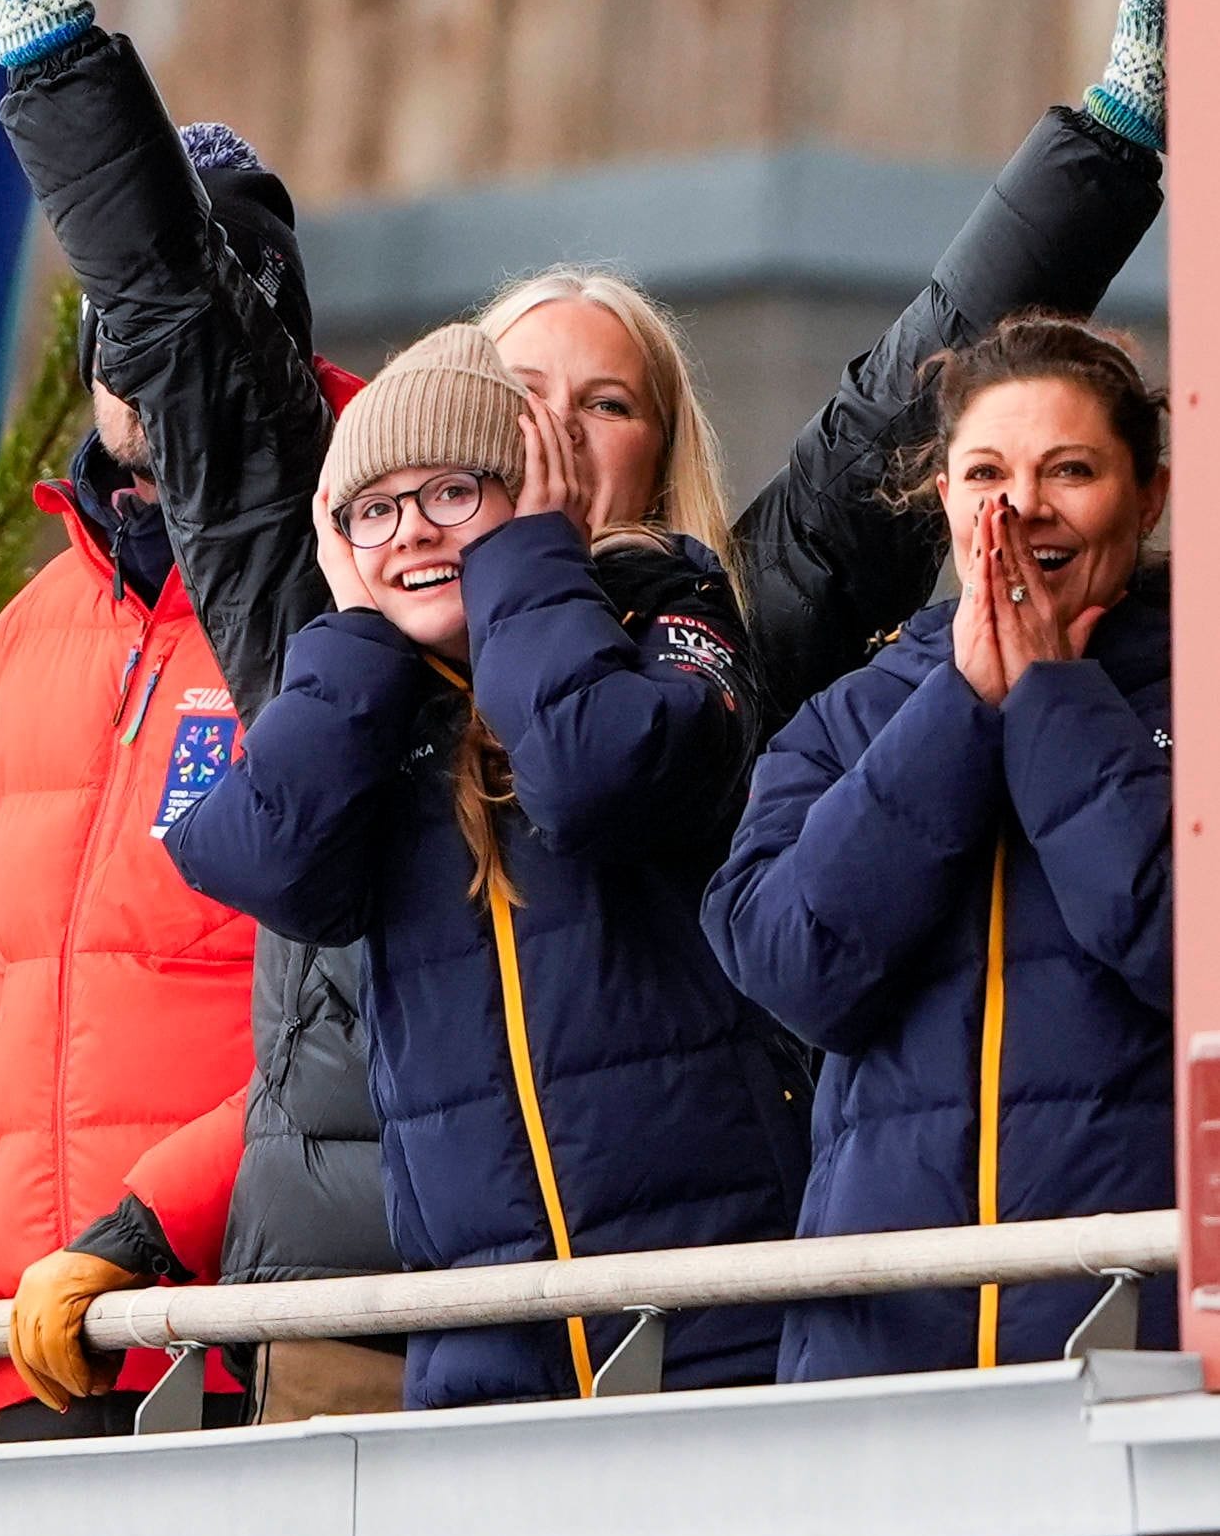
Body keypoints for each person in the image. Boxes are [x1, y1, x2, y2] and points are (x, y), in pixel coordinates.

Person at [0, 0, 1170, 1410]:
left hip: (687, 1311)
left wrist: (1112, 127)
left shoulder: (713, 620)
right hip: (371, 1314)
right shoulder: (330, 624)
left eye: (607, 406)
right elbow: (192, 357)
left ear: (655, 452)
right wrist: (53, 53)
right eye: (517, 403)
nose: (554, 441)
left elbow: (915, 398)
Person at [165, 324, 811, 1406]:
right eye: (375, 509)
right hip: (482, 1332)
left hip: (715, 1306)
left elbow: (591, 774)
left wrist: (523, 563)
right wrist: (356, 629)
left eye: (453, 492)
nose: (414, 530)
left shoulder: (667, 613)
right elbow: (263, 859)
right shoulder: (375, 706)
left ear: (530, 492)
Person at [0, 122, 296, 1435]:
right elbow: (18, 968)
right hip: (38, 1338)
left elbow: (356, 1011)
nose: (140, 353)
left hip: (233, 1321)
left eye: (180, 306)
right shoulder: (33, 629)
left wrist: (156, 1225)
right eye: (117, 310)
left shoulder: (338, 599)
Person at [701, 312, 1173, 1380]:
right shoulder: (848, 716)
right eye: (985, 471)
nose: (1022, 505)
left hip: (1140, 1340)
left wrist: (1053, 697)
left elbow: (1174, 939)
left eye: (1071, 469)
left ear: (1146, 495)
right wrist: (954, 708)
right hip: (883, 1359)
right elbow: (789, 968)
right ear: (942, 499)